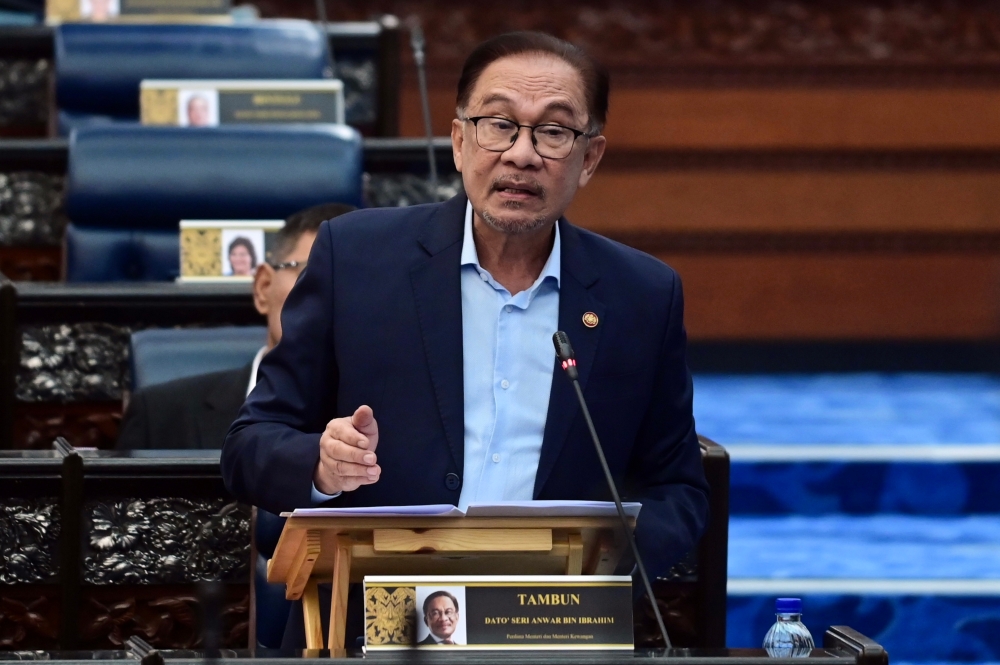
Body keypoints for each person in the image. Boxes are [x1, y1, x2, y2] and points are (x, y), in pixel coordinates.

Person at [223, 31, 709, 643]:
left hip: (549, 630)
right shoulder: (357, 258)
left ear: (589, 159)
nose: (522, 154)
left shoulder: (641, 295)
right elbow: (249, 445)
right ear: (459, 142)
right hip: (372, 627)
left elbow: (679, 488)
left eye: (554, 131)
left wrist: (603, 577)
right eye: (499, 124)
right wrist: (320, 464)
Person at [116, 203, 356, 450]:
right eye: (314, 276)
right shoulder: (159, 417)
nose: (338, 297)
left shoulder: (393, 418)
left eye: (360, 283)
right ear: (264, 288)